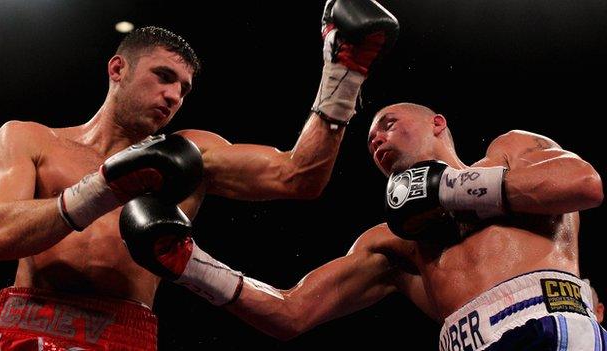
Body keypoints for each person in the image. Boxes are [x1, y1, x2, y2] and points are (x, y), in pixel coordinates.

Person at [0, 1, 400, 349]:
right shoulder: (29, 139)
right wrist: (104, 187)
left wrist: (343, 77)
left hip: (124, 331)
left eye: (183, 89)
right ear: (117, 69)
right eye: (163, 77)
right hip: (28, 319)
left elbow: (298, 176)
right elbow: (0, 236)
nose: (173, 96)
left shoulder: (188, 154)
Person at [122, 102, 605, 350]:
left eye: (390, 123)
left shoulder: (510, 149)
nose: (378, 138)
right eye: (371, 138)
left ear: (438, 123)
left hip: (547, 328)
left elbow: (584, 184)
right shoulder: (395, 243)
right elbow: (292, 313)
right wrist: (190, 265)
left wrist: (451, 188)